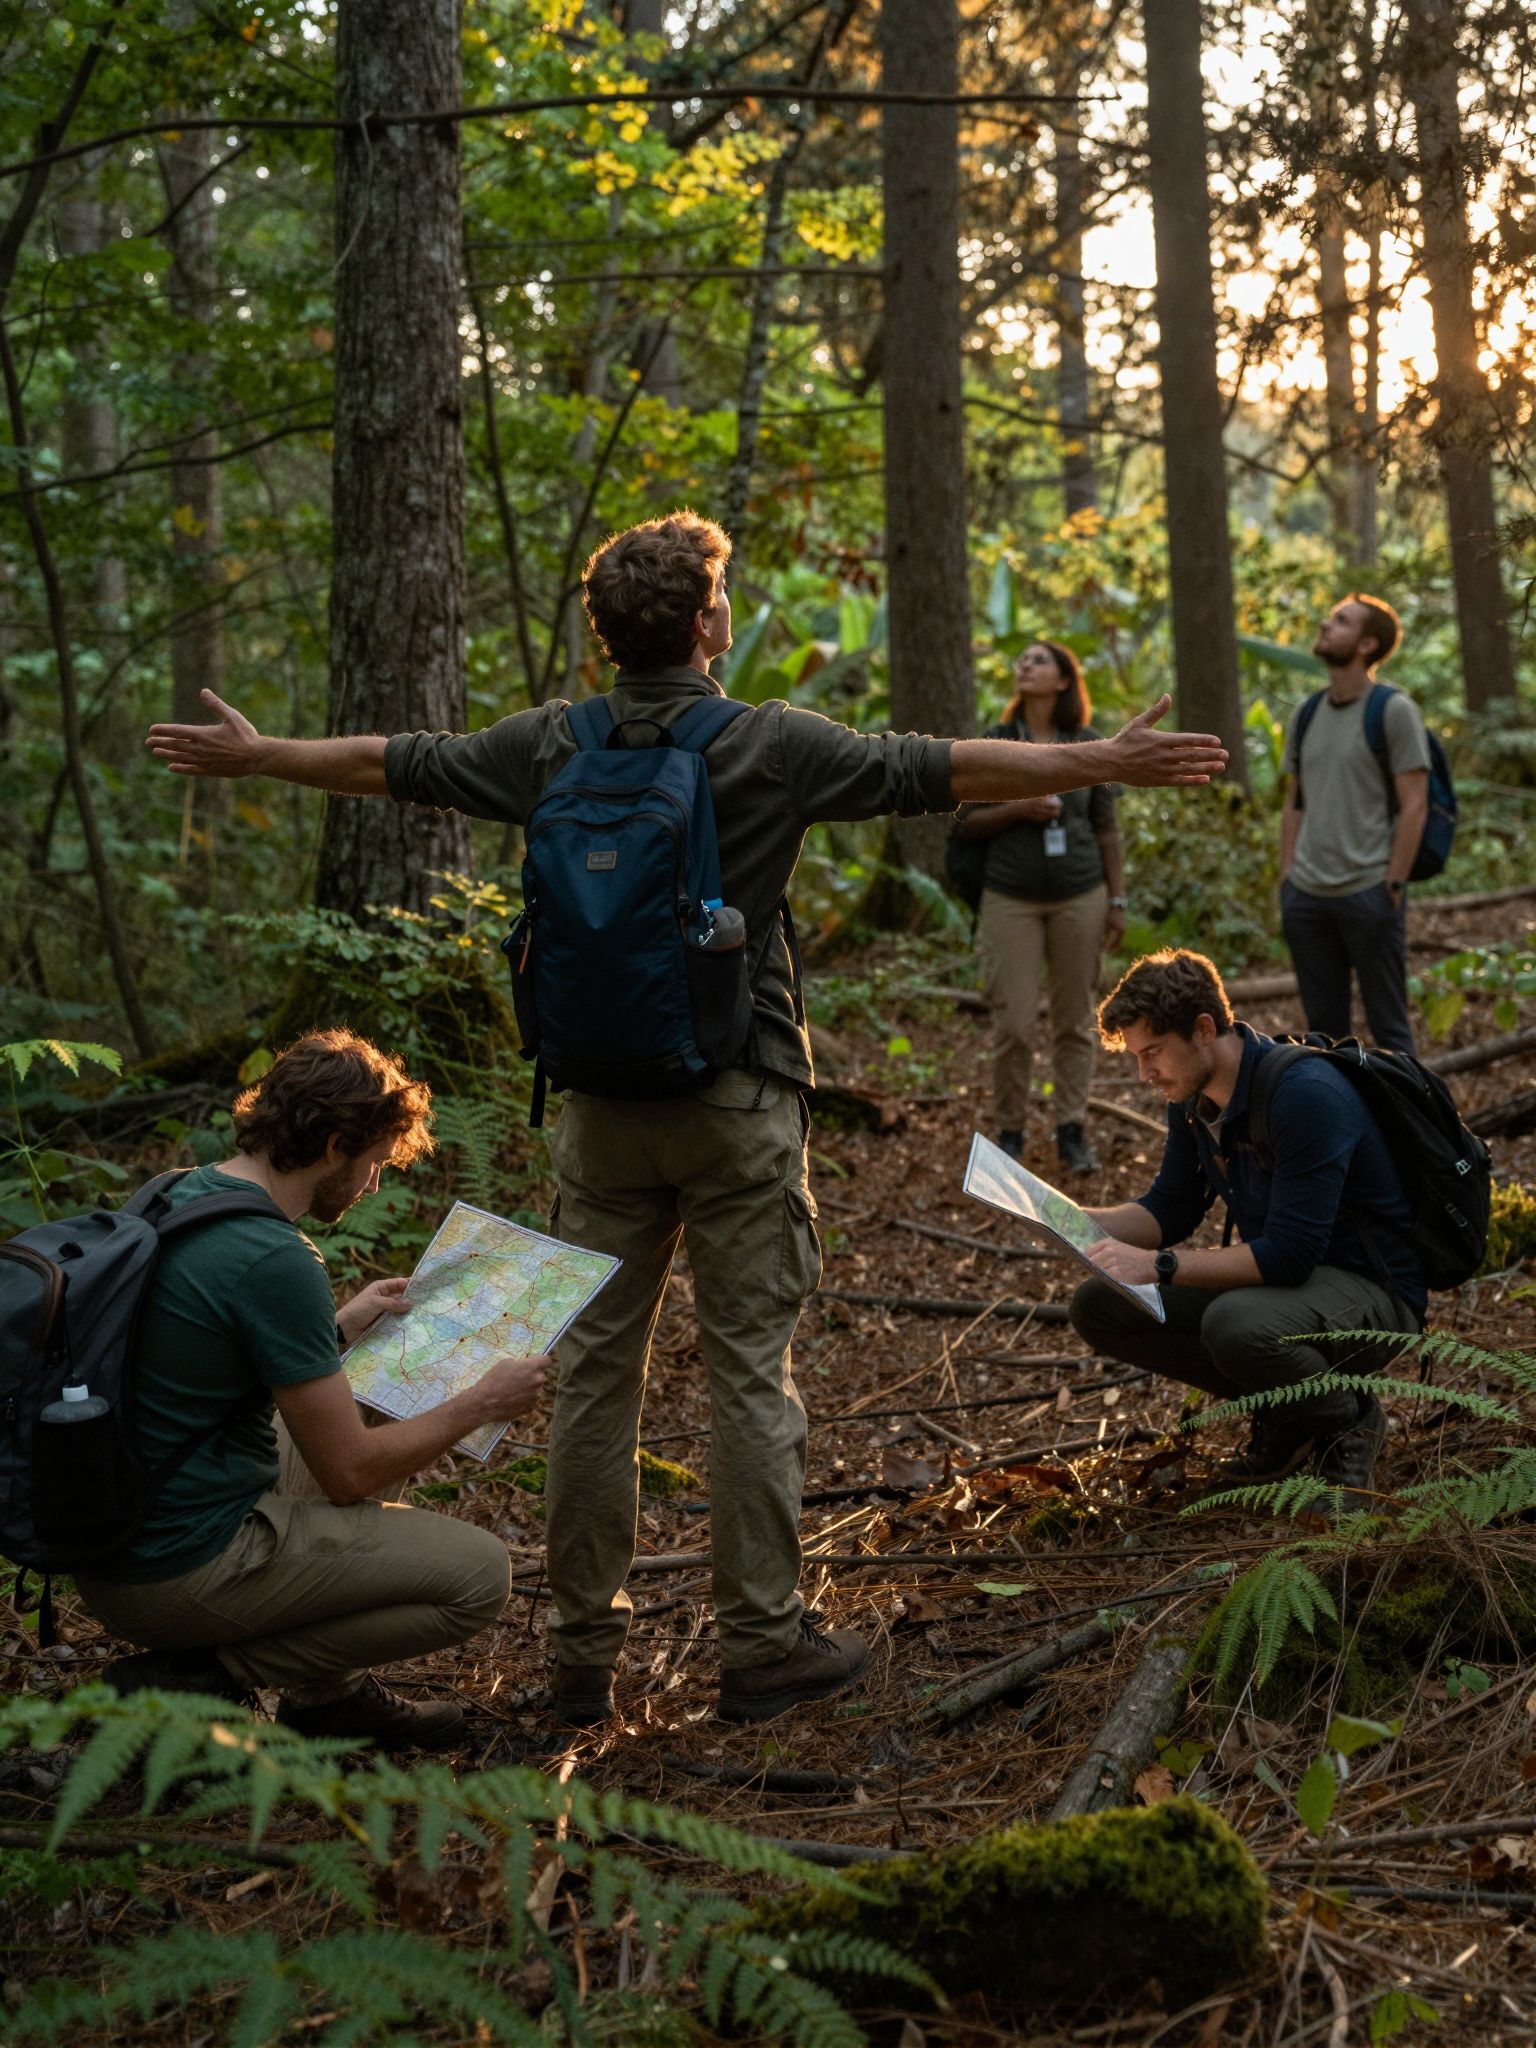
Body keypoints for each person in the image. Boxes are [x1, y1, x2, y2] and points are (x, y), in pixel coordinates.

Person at [145, 510, 1226, 1727]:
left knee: (593, 1380)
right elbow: (946, 763)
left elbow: (397, 760)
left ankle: (578, 1660)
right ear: (708, 621)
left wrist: (260, 752)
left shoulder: (549, 743)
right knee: (747, 1373)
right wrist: (1100, 763)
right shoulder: (769, 742)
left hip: (600, 1111)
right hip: (738, 1096)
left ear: (604, 631)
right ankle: (763, 1644)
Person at [78, 1030, 547, 1750]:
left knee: (366, 1388)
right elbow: (351, 1469)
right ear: (334, 1145)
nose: (372, 1186)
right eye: (373, 1165)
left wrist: (334, 1329)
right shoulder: (275, 1258)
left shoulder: (180, 1191)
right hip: (177, 1567)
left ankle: (329, 1699)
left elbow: (201, 1358)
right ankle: (205, 1677)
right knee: (480, 1577)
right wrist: (481, 1402)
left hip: (118, 1533)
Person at [1067, 949, 1424, 1515]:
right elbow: (1170, 1208)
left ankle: (1348, 1421)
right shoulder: (1193, 1097)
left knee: (1236, 1325)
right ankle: (1291, 1411)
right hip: (1292, 1290)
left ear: (1204, 1030)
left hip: (1373, 1295)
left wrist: (1161, 1266)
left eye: (1152, 1052)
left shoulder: (1304, 1095)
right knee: (1101, 1303)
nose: (1144, 1073)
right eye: (1136, 1057)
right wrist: (1065, 1217)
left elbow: (1290, 1255)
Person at [953, 639, 1125, 1174]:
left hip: (1081, 896)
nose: (1025, 666)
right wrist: (1019, 809)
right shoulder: (998, 740)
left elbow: (1106, 828)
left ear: (1063, 680)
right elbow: (966, 821)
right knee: (1016, 1024)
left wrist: (1117, 900)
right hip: (1010, 898)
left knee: (1076, 1021)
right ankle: (1010, 1134)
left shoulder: (1088, 743)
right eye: (1021, 660)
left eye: (1039, 660)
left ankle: (1072, 1130)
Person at [1279, 594, 1429, 1055]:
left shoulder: (1393, 710)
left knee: (1390, 1030)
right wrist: (1288, 877)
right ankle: (1342, 1125)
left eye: (1340, 621)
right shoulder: (1305, 713)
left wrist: (1394, 882)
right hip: (1307, 896)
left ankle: (1412, 1124)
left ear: (1366, 644)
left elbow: (1415, 802)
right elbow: (1295, 801)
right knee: (1324, 1037)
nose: (1326, 625)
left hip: (1369, 891)